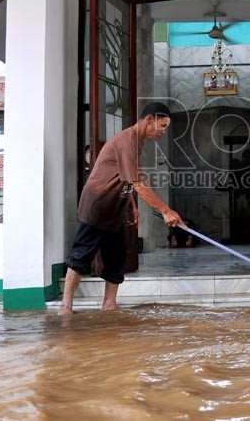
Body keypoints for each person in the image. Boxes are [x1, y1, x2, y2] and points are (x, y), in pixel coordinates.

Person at [58, 102, 184, 314]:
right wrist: (165, 210)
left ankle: (109, 304)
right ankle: (65, 307)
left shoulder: (137, 142)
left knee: (116, 257)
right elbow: (138, 183)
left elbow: (125, 179)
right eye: (162, 126)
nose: (163, 131)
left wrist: (130, 204)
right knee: (82, 254)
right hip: (98, 204)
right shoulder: (127, 142)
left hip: (115, 206)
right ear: (149, 119)